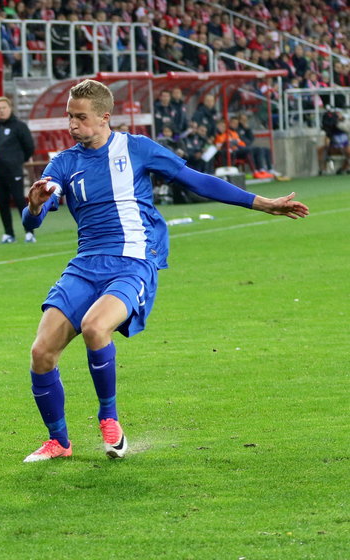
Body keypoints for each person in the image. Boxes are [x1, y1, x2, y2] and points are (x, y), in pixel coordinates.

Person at [20, 79, 308, 463]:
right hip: (85, 266)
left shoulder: (136, 149)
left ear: (105, 117)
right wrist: (36, 205)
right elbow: (32, 220)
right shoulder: (64, 163)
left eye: (81, 117)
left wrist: (261, 202)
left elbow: (197, 180)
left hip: (132, 263)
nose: (72, 124)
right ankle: (59, 442)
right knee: (41, 352)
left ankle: (109, 419)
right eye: (69, 116)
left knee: (95, 327)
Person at [0, 96, 36, 244]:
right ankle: (8, 233)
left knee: (19, 201)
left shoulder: (19, 126)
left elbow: (29, 147)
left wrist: (17, 161)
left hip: (14, 170)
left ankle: (29, 232)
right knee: (2, 202)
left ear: (10, 108)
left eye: (3, 108)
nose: (1, 111)